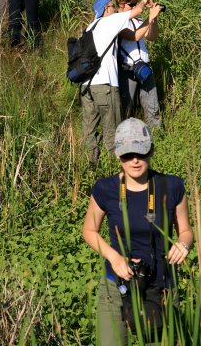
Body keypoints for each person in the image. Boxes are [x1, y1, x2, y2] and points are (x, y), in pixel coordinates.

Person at [83, 117, 194, 345]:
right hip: (118, 284)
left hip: (160, 285)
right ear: (117, 154)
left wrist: (183, 245)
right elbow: (89, 231)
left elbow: (186, 232)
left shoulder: (171, 186)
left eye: (141, 153)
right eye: (127, 154)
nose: (135, 161)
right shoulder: (105, 189)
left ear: (151, 150)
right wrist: (114, 258)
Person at [81, 0, 161, 166]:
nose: (113, 10)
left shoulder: (91, 26)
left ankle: (90, 164)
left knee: (90, 129)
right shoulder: (109, 22)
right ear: (106, 9)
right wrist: (147, 7)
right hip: (105, 85)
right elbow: (137, 13)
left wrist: (151, 18)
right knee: (113, 129)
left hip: (87, 86)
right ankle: (115, 168)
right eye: (111, 6)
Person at [115, 0, 161, 127]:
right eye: (131, 4)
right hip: (127, 70)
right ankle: (124, 139)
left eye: (136, 4)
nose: (134, 7)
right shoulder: (116, 20)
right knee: (126, 109)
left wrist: (154, 20)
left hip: (145, 68)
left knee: (152, 107)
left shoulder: (137, 21)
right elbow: (134, 36)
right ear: (120, 4)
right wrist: (149, 17)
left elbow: (152, 37)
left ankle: (157, 137)